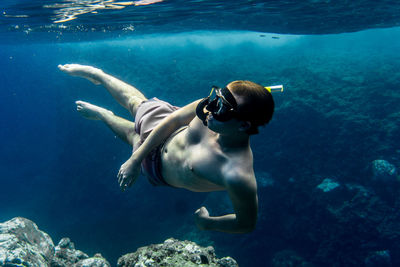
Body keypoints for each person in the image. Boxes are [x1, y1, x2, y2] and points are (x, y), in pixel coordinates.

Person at [58, 64, 275, 234]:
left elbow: (246, 223)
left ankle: (103, 114)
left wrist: (207, 223)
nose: (210, 108)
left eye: (221, 108)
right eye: (215, 97)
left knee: (132, 135)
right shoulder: (211, 109)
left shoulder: (236, 174)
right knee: (136, 103)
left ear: (244, 125)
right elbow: (174, 119)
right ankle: (99, 75)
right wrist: (134, 160)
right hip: (166, 130)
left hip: (158, 171)